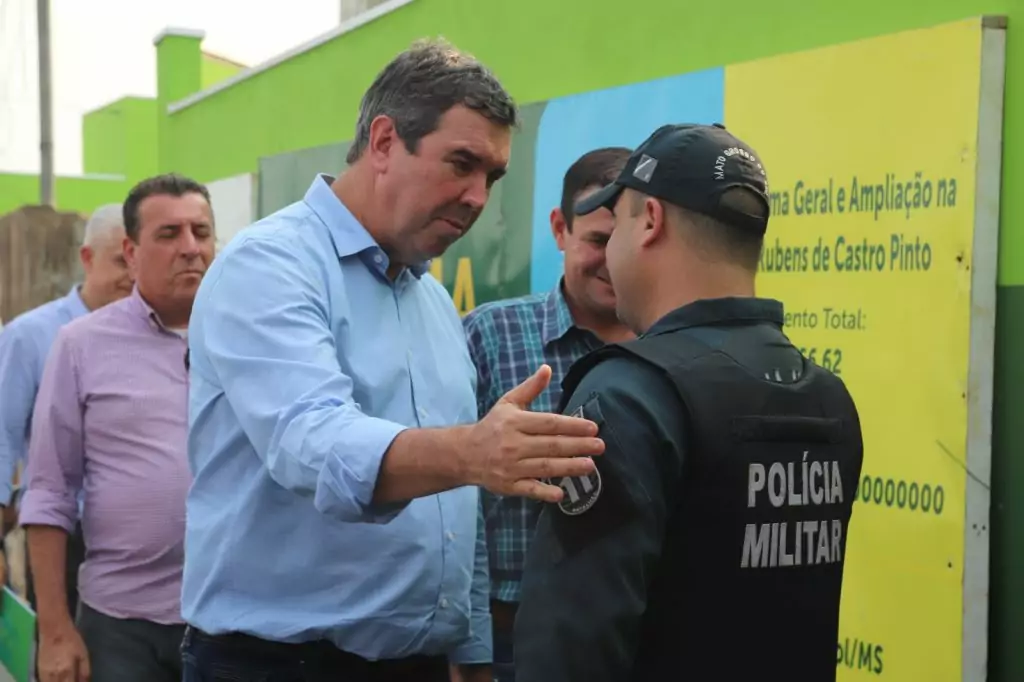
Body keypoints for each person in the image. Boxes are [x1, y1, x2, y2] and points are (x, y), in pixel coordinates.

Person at [179, 38, 603, 682]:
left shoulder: (432, 302)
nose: (477, 196)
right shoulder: (270, 266)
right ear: (382, 142)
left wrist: (473, 653)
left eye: (492, 176)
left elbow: (460, 511)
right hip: (275, 664)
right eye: (461, 163)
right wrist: (470, 452)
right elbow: (313, 444)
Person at [514, 123, 865, 682]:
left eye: (617, 224)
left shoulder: (627, 395)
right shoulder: (827, 397)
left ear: (651, 221)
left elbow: (568, 646)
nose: (609, 256)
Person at [20, 174, 215, 682]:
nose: (191, 248)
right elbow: (48, 491)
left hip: (231, 618)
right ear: (130, 252)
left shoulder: (250, 338)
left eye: (201, 231)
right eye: (169, 234)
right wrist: (57, 631)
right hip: (121, 624)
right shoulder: (81, 345)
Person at [462, 146, 633, 682]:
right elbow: (450, 503)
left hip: (631, 637)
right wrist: (468, 647)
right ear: (560, 229)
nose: (609, 261)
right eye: (596, 241)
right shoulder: (491, 335)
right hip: (506, 637)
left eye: (622, 243)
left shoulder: (672, 350)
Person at [0, 203, 131, 609]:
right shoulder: (30, 336)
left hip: (141, 548)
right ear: (87, 259)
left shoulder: (158, 332)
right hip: (64, 538)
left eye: (137, 259)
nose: (132, 275)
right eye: (120, 261)